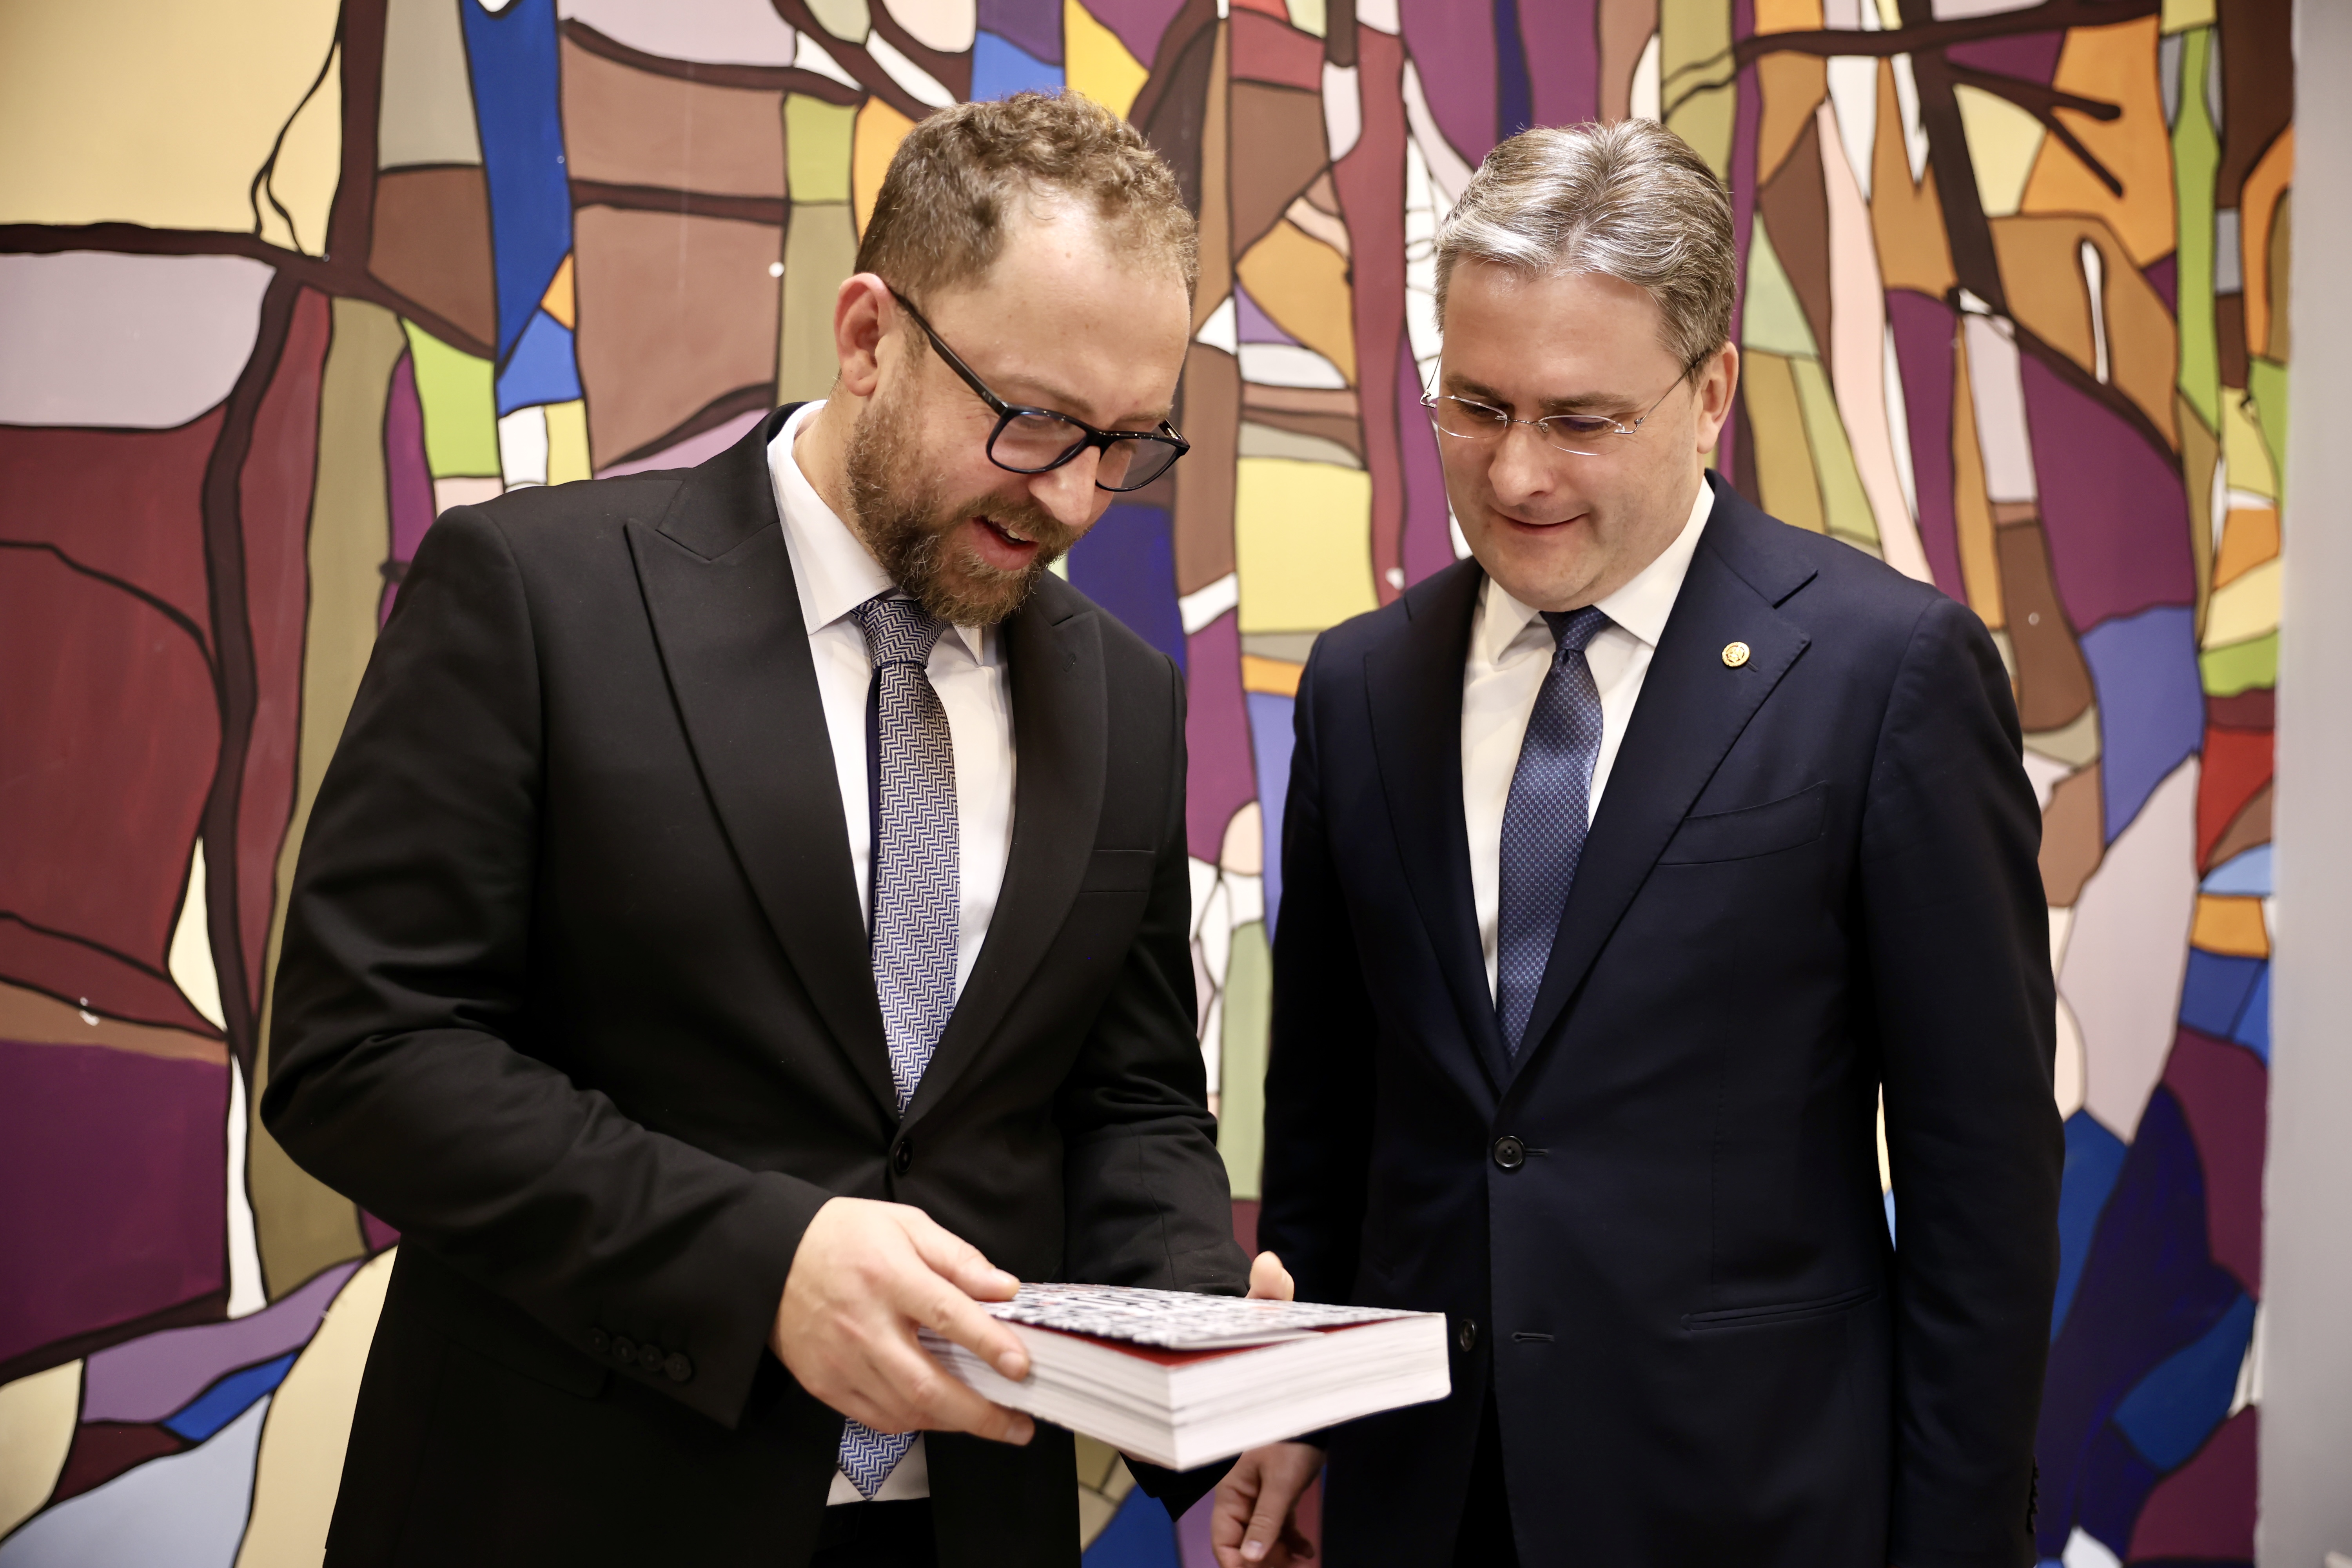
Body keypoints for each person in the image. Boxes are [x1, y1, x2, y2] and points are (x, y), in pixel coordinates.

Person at [265, 93, 1256, 1568]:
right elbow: (363, 1053)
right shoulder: (536, 597)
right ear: (868, 336)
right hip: (574, 1513)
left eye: (1122, 444)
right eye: (1035, 419)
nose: (1068, 497)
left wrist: (1199, 1337)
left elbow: (1129, 1104)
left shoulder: (1126, 693)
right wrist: (759, 1263)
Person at [1213, 120, 2062, 1567]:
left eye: (1581, 420)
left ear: (1711, 391)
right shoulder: (1362, 685)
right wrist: (1296, 1410)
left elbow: (1981, 1180)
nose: (1516, 474)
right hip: (1423, 1500)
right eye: (1476, 407)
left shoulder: (1888, 676)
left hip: (1750, 1502)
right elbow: (1329, 1127)